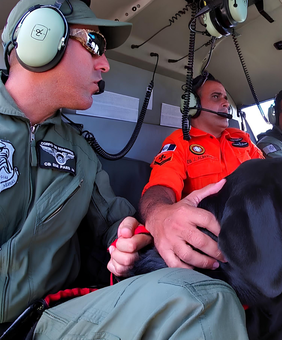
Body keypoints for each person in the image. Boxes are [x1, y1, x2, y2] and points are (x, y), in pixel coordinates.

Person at [0, 0, 250, 339]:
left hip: (47, 320)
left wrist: (127, 239)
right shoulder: (180, 143)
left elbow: (115, 223)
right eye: (94, 44)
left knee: (207, 300)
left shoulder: (81, 153)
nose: (104, 64)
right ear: (39, 37)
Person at [139, 73, 264, 270]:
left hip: (260, 230)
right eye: (216, 96)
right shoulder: (179, 142)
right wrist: (159, 214)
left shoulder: (242, 139)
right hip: (217, 244)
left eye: (225, 97)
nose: (225, 103)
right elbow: (160, 186)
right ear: (192, 106)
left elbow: (270, 174)